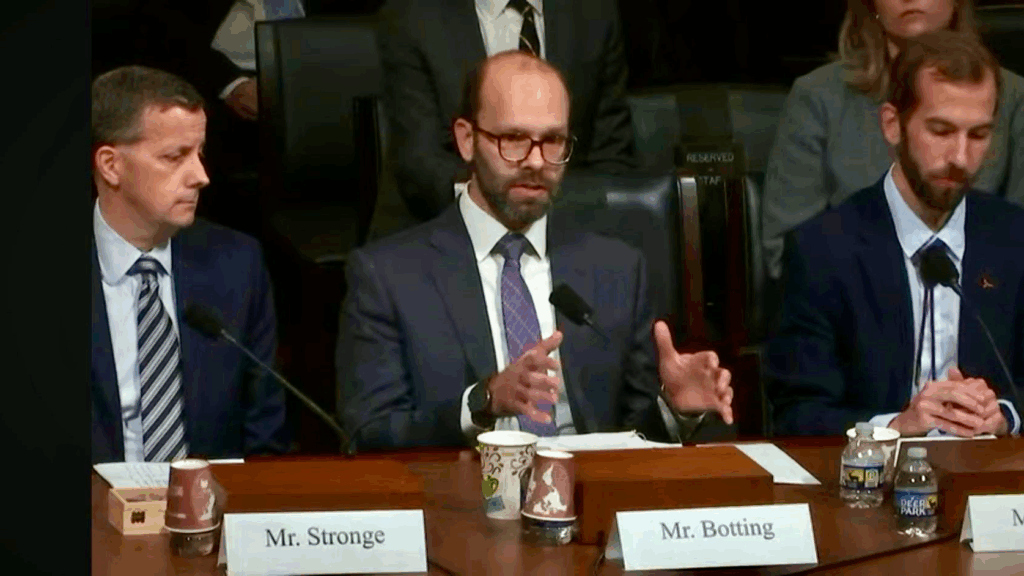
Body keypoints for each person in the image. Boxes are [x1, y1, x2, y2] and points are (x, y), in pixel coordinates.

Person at [337, 51, 733, 451]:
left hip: (588, 494)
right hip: (457, 497)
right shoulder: (388, 275)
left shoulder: (617, 268)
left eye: (554, 141)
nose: (536, 161)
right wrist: (483, 400)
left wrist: (675, 410)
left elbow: (635, 439)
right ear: (466, 139)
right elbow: (369, 435)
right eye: (513, 140)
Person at [766, 32, 1023, 438]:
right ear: (892, 125)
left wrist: (1006, 414)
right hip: (872, 487)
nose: (960, 157)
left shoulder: (1015, 239)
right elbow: (798, 415)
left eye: (978, 135)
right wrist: (895, 426)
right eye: (940, 131)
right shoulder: (823, 251)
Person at [91, 66, 289, 463]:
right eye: (174, 157)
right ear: (111, 165)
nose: (201, 176)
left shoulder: (237, 263)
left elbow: (265, 430)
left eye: (199, 154)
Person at [761, 0, 1024, 282]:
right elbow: (789, 253)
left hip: (979, 308)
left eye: (978, 134)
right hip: (851, 314)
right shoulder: (817, 96)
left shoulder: (1013, 96)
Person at [368, 0, 638, 241]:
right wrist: (510, 215)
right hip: (441, 233)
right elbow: (421, 164)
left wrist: (545, 222)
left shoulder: (594, 11)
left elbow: (611, 157)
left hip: (566, 230)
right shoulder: (411, 15)